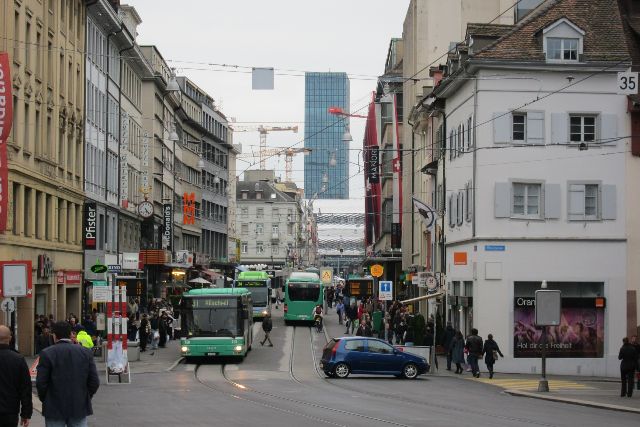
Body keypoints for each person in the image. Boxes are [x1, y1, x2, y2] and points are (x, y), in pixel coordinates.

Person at [36, 321, 100, 427]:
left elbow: (41, 383)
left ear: (54, 336)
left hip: (54, 407)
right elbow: (94, 382)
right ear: (71, 334)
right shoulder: (85, 352)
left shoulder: (47, 353)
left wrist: (46, 399)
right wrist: (85, 396)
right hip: (78, 406)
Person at [0, 325, 32, 427]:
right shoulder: (18, 359)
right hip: (10, 412)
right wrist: (26, 413)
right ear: (10, 338)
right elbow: (25, 388)